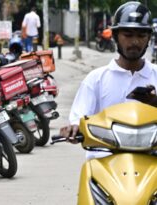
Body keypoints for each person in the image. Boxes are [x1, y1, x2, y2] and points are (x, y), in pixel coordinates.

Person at [60, 2, 157, 158]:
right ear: (115, 36)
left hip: (151, 165)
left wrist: (154, 102)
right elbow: (79, 118)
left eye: (141, 35)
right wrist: (74, 129)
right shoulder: (96, 79)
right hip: (104, 164)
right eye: (128, 35)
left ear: (149, 38)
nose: (135, 42)